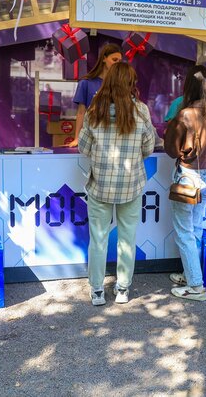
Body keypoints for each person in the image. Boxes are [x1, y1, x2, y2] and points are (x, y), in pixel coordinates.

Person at [78, 62, 156, 306]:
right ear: (131, 84)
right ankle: (122, 289)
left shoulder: (94, 110)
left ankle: (97, 291)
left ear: (108, 82)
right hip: (131, 185)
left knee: (98, 239)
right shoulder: (141, 111)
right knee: (127, 238)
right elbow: (149, 147)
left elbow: (83, 147)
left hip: (100, 185)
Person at [163, 65, 206, 301]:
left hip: (187, 175)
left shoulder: (186, 114)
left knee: (184, 232)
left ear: (189, 87)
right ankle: (191, 273)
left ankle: (195, 286)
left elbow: (171, 150)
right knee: (195, 228)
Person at [69, 43, 123, 147]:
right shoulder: (85, 83)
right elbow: (81, 113)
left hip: (115, 139)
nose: (117, 64)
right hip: (91, 137)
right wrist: (77, 138)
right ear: (104, 59)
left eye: (119, 61)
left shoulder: (120, 85)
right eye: (114, 60)